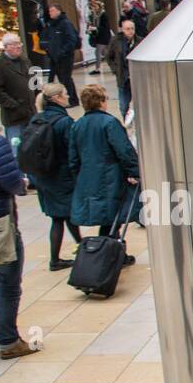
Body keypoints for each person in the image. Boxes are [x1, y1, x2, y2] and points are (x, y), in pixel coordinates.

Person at [68, 84, 139, 265]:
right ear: (100, 102)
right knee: (112, 216)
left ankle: (115, 253)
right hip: (110, 177)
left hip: (89, 177)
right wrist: (135, 171)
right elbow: (123, 150)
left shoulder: (78, 125)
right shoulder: (109, 123)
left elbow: (73, 158)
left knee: (108, 217)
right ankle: (110, 255)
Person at [0, 91, 34, 358]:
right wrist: (22, 185)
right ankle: (8, 340)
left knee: (3, 271)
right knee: (10, 279)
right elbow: (11, 182)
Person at [29, 83, 83, 271]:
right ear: (57, 98)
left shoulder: (37, 118)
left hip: (44, 175)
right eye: (65, 94)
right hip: (62, 175)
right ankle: (58, 258)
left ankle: (79, 248)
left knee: (61, 216)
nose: (68, 97)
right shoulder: (64, 122)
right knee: (63, 216)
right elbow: (72, 150)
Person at [0, 34, 36, 157]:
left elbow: (33, 80)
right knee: (16, 151)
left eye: (19, 43)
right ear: (6, 47)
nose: (18, 46)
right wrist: (14, 105)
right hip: (14, 117)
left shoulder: (25, 60)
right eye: (14, 44)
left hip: (30, 113)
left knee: (32, 149)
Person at [40, 4, 80, 104]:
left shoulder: (65, 24)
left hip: (65, 57)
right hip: (54, 57)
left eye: (52, 11)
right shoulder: (51, 25)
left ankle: (73, 100)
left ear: (59, 11)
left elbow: (72, 40)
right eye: (49, 11)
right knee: (52, 78)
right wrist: (48, 49)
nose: (50, 13)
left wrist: (62, 51)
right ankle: (52, 100)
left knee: (65, 79)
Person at [106, 18, 139, 119]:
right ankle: (126, 120)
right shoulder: (116, 41)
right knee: (124, 105)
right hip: (122, 77)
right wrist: (115, 69)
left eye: (132, 28)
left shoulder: (140, 41)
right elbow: (109, 57)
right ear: (122, 30)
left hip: (137, 78)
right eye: (127, 29)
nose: (130, 31)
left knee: (140, 103)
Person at [87, 1, 112, 75]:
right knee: (105, 53)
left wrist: (96, 28)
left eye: (95, 6)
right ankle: (114, 65)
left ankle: (97, 69)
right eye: (93, 6)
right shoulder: (94, 16)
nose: (94, 8)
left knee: (98, 52)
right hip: (99, 37)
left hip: (104, 37)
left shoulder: (103, 15)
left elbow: (106, 27)